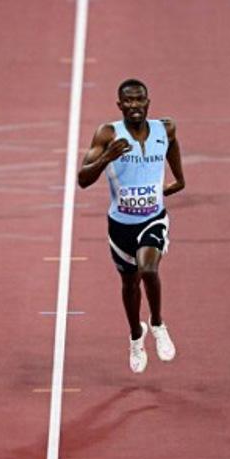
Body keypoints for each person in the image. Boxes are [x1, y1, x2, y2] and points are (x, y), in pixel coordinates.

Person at [78, 78, 185, 373]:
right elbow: (82, 179)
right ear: (119, 105)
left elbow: (172, 145)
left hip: (153, 218)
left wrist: (179, 178)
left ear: (148, 103)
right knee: (129, 283)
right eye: (128, 101)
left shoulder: (165, 128)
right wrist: (107, 158)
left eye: (140, 100)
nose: (134, 106)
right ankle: (136, 336)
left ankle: (158, 324)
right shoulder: (108, 133)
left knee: (149, 268)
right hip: (120, 224)